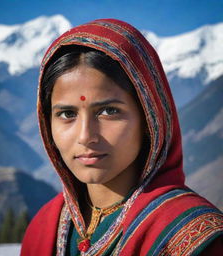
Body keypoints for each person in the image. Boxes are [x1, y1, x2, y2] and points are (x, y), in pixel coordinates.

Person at [21, 19, 223, 255]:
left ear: (149, 118)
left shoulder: (192, 237)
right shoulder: (45, 226)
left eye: (108, 111)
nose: (86, 136)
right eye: (67, 114)